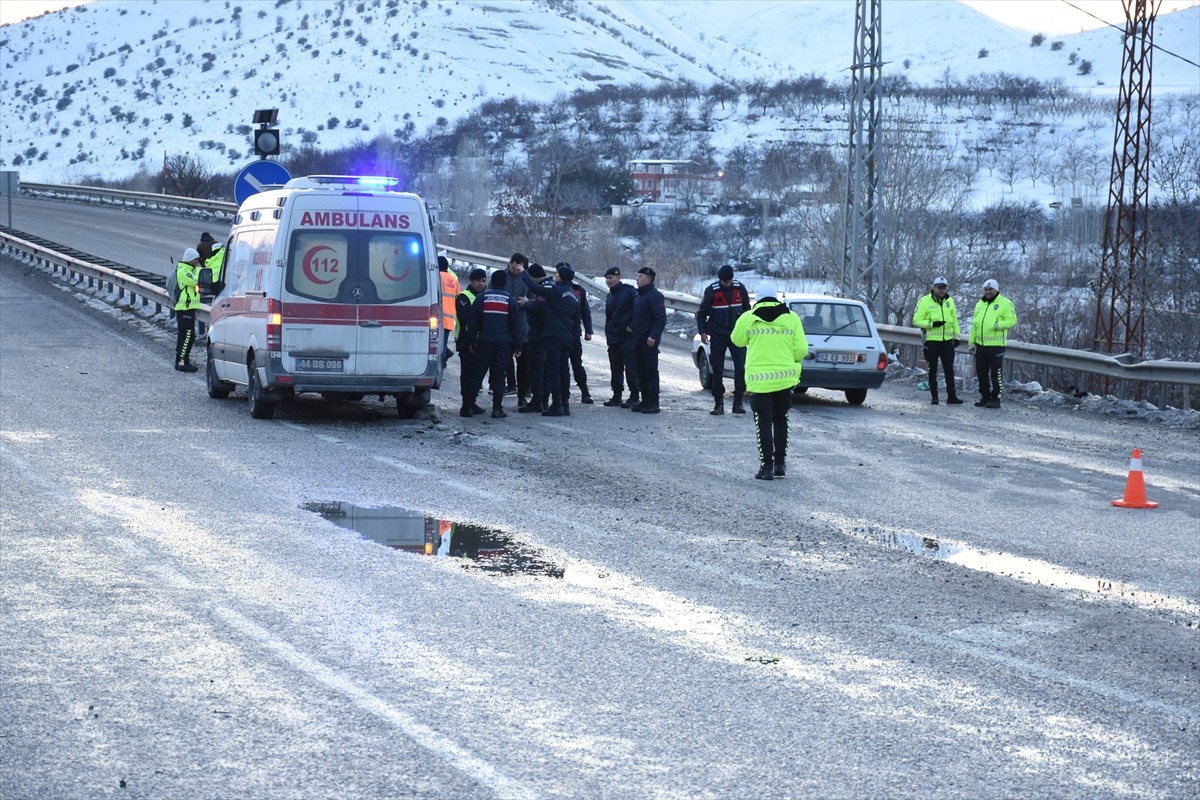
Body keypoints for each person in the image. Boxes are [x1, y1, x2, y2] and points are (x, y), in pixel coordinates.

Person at [731, 282, 808, 480]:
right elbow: (801, 350)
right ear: (776, 297)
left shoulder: (748, 317)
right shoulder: (792, 317)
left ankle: (766, 467)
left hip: (759, 381)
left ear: (757, 298)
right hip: (784, 379)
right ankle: (780, 464)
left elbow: (737, 340)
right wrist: (789, 360)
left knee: (763, 422)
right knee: (781, 418)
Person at [518, 262, 582, 417]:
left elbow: (534, 287)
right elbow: (576, 321)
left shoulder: (555, 290)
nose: (555, 276)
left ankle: (557, 404)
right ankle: (565, 404)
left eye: (557, 274)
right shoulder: (574, 296)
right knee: (564, 370)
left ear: (562, 277)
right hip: (567, 338)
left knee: (553, 370)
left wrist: (523, 272)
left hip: (553, 336)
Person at [464, 269, 525, 418]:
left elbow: (472, 323)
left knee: (478, 374)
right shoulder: (510, 300)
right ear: (504, 282)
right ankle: (497, 408)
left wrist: (472, 341)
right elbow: (517, 326)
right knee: (499, 375)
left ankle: (468, 407)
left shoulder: (481, 298)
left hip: (484, 341)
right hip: (504, 344)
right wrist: (518, 346)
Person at [696, 263, 751, 415]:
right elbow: (701, 314)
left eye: (729, 281)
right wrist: (703, 332)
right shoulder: (712, 291)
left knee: (740, 368)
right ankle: (718, 404)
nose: (727, 284)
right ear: (720, 280)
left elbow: (748, 312)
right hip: (718, 335)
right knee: (717, 370)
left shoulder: (740, 289)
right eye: (725, 282)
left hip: (737, 335)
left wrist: (749, 331)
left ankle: (738, 403)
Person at [913, 276, 963, 405]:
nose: (941, 290)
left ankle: (952, 397)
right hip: (931, 342)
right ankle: (934, 397)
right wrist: (931, 324)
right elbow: (916, 320)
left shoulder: (950, 301)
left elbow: (954, 320)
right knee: (932, 370)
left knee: (949, 370)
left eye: (944, 287)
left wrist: (956, 337)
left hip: (947, 342)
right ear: (933, 287)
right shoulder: (924, 301)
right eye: (939, 287)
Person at [969, 278, 1018, 409]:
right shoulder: (980, 304)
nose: (988, 292)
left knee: (996, 374)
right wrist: (971, 343)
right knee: (981, 373)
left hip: (996, 345)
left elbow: (1012, 320)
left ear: (996, 290)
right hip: (980, 345)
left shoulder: (1005, 303)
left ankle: (996, 398)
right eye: (986, 289)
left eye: (991, 289)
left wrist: (998, 325)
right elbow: (974, 325)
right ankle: (984, 397)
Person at [630, 267, 666, 414]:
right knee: (640, 371)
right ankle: (645, 400)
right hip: (638, 339)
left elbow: (660, 318)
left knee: (651, 371)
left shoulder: (654, 295)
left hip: (649, 341)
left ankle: (654, 402)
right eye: (637, 275)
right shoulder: (639, 295)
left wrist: (653, 336)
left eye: (640, 276)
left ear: (649, 279)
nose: (637, 278)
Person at [516, 263, 552, 413]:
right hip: (544, 334)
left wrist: (526, 304)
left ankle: (538, 401)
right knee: (543, 369)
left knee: (537, 369)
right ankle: (543, 400)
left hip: (539, 335)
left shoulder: (545, 288)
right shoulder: (548, 286)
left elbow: (541, 308)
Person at [602, 266, 639, 407]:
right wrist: (608, 331)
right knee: (615, 367)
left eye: (611, 277)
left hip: (627, 336)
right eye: (607, 278)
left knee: (630, 366)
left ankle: (634, 395)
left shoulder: (629, 291)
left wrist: (632, 325)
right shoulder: (610, 296)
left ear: (618, 277)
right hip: (614, 336)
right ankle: (616, 395)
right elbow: (609, 317)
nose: (608, 280)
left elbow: (638, 308)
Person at [455, 268, 488, 416]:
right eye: (478, 281)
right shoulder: (464, 296)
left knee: (478, 374)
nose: (481, 284)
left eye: (483, 281)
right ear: (471, 281)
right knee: (467, 374)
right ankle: (466, 405)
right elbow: (465, 318)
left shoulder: (486, 296)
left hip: (482, 341)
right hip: (466, 341)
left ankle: (472, 401)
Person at [563, 263, 595, 404]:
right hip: (559, 333)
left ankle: (585, 391)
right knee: (560, 365)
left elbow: (585, 311)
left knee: (577, 363)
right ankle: (563, 394)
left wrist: (588, 330)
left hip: (574, 333)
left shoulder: (578, 290)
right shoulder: (553, 288)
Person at [506, 253, 531, 404]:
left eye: (519, 269)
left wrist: (527, 302)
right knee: (501, 362)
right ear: (510, 263)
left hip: (523, 328)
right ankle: (501, 392)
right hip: (504, 327)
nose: (516, 271)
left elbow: (535, 299)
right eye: (514, 268)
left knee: (523, 364)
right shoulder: (501, 277)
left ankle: (522, 395)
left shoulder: (527, 279)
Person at [173, 247, 203, 372]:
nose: (197, 262)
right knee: (187, 336)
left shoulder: (189, 270)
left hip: (188, 308)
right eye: (195, 259)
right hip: (184, 308)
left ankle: (182, 361)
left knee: (186, 336)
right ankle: (181, 362)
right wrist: (199, 269)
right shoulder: (183, 270)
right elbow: (195, 281)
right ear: (190, 259)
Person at [438, 255, 460, 368]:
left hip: (438, 316)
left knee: (437, 344)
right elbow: (458, 297)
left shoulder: (437, 277)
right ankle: (445, 355)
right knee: (443, 343)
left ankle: (442, 361)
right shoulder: (453, 280)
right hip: (449, 318)